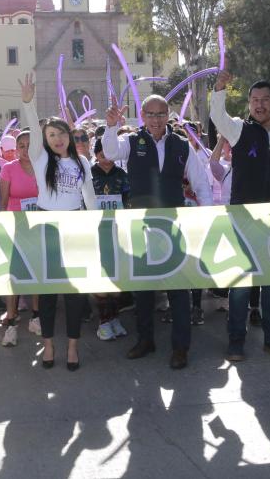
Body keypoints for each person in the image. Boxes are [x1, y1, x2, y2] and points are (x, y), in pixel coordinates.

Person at [103, 95, 213, 369]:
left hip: (174, 226)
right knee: (143, 288)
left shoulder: (181, 144)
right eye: (150, 114)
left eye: (161, 114)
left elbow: (201, 183)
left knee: (178, 287)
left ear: (169, 115)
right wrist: (110, 126)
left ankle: (180, 347)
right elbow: (109, 151)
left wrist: (207, 215)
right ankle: (145, 340)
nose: (156, 119)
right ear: (142, 115)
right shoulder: (131, 141)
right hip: (141, 224)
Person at [211, 69, 270, 361]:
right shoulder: (239, 128)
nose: (259, 105)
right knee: (240, 285)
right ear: (249, 104)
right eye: (254, 100)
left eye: (265, 99)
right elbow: (217, 116)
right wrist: (219, 89)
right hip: (243, 220)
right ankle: (236, 341)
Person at [20, 73, 96, 371]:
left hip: (76, 227)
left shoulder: (81, 162)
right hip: (46, 227)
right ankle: (49, 344)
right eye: (51, 135)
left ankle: (74, 346)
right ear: (45, 139)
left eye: (61, 133)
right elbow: (33, 126)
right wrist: (28, 102)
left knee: (75, 291)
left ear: (70, 135)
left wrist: (97, 226)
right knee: (49, 291)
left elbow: (89, 198)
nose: (57, 138)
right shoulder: (40, 158)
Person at [0, 130, 41, 344]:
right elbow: (2, 202)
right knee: (14, 277)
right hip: (15, 229)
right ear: (16, 149)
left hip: (38, 229)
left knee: (35, 274)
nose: (25, 150)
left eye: (29, 145)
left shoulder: (45, 167)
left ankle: (36, 317)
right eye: (21, 145)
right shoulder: (8, 169)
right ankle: (12, 320)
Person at [89, 137, 130, 343]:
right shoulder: (89, 175)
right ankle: (103, 322)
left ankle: (115, 318)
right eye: (103, 154)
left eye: (110, 155)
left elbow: (128, 200)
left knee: (116, 279)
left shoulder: (122, 175)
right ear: (96, 154)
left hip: (117, 232)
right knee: (101, 279)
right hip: (96, 233)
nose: (107, 159)